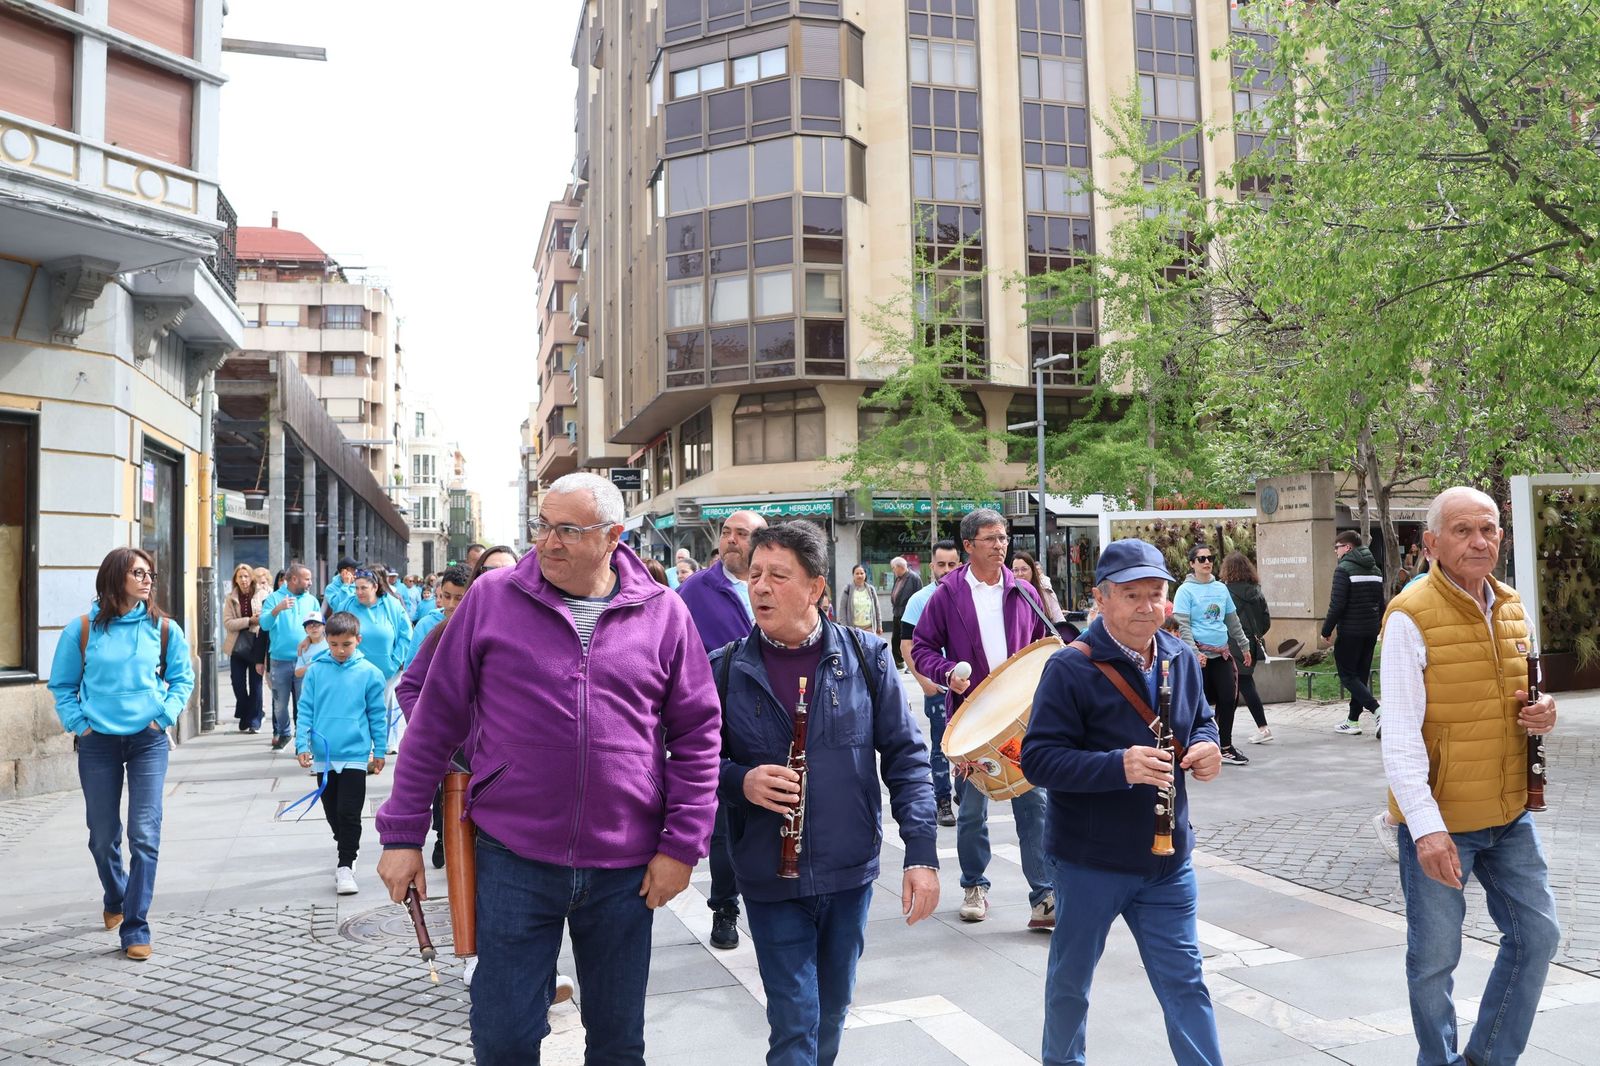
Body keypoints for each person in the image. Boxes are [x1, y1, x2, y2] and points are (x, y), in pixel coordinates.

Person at [376, 471, 722, 1064]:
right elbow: (433, 722)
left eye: (567, 530)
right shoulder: (491, 599)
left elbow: (697, 734)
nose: (548, 542)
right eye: (542, 525)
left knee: (618, 1043)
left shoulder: (665, 612)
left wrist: (683, 846)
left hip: (625, 868)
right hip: (514, 857)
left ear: (613, 536)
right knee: (504, 1038)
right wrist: (403, 833)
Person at [714, 520, 939, 1066]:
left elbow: (907, 757)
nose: (760, 586)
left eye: (778, 576)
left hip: (848, 869)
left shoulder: (867, 657)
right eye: (756, 574)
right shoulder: (725, 668)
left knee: (832, 1012)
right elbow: (689, 761)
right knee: (794, 1022)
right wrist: (740, 780)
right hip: (768, 872)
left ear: (815, 587)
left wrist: (922, 854)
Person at [1021, 538, 1224, 1066]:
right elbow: (1038, 760)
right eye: (1131, 595)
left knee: (1186, 983)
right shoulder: (1070, 666)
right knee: (1071, 982)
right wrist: (1119, 766)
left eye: (1155, 594)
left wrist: (1206, 744)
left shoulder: (1180, 655)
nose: (1146, 607)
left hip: (1168, 859)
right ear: (1101, 598)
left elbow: (1201, 718)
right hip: (1091, 860)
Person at [1379, 486, 1560, 1066]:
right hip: (1442, 822)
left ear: (1501, 539)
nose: (1478, 541)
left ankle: (1486, 1059)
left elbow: (1518, 698)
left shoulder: (1510, 605)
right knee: (1434, 962)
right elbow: (1401, 735)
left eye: (1488, 530)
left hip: (1509, 814)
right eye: (1461, 531)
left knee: (1538, 938)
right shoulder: (1410, 615)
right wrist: (1426, 829)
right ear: (1430, 542)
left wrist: (1544, 711)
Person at [911, 508, 1056, 929]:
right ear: (968, 546)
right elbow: (921, 648)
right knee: (972, 810)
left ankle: (1043, 896)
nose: (1001, 545)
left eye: (1004, 538)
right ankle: (975, 885)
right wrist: (947, 672)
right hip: (972, 721)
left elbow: (1043, 644)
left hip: (1021, 720)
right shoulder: (947, 594)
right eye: (991, 539)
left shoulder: (1024, 591)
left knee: (1034, 804)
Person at [48, 547, 195, 961]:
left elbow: (183, 678)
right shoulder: (80, 630)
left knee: (144, 834)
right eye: (138, 573)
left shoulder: (164, 629)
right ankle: (115, 895)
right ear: (116, 578)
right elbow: (61, 686)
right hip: (98, 744)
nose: (147, 580)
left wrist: (162, 715)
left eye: (149, 573)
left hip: (148, 741)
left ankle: (135, 926)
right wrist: (81, 725)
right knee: (102, 835)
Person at [677, 508, 769, 951]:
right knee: (725, 822)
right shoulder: (695, 590)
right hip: (720, 717)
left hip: (779, 714)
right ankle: (725, 907)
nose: (732, 540)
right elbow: (673, 653)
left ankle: (779, 899)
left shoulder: (775, 581)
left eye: (743, 534)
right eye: (727, 533)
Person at [296, 610, 387, 895]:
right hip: (323, 754)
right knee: (332, 812)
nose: (339, 650)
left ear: (357, 640)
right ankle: (346, 844)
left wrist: (380, 749)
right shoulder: (316, 671)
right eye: (334, 644)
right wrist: (301, 745)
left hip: (356, 755)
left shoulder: (371, 673)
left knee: (349, 812)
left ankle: (345, 864)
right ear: (327, 641)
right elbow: (305, 710)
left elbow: (377, 714)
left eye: (346, 644)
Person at [900, 540, 964, 828]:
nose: (947, 569)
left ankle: (966, 793)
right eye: (941, 564)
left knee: (968, 744)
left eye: (952, 564)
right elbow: (906, 644)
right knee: (940, 746)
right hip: (938, 688)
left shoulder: (970, 596)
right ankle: (942, 801)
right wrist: (925, 681)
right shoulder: (919, 600)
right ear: (932, 567)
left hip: (969, 687)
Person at [1172, 544, 1253, 766]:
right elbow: (1183, 625)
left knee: (1229, 699)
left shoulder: (1221, 588)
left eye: (1210, 558)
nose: (1207, 562)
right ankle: (1192, 746)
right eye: (1201, 559)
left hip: (1222, 654)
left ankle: (1224, 746)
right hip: (1197, 657)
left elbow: (1232, 620)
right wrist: (1194, 652)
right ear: (1192, 564)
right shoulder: (1185, 591)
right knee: (1198, 703)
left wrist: (1244, 646)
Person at [1321, 530, 1385, 736]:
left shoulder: (1343, 570)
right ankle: (1353, 721)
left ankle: (1378, 711)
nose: (1336, 552)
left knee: (1348, 676)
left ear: (1347, 547)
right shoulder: (1375, 569)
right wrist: (1378, 626)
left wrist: (1326, 630)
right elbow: (1380, 603)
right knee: (1360, 675)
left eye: (1337, 548)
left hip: (1350, 631)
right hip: (1370, 631)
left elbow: (1337, 604)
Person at [341, 568, 413, 745]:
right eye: (356, 588)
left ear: (374, 587)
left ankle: (378, 748)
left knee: (379, 712)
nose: (359, 592)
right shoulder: (348, 605)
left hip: (385, 671)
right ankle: (363, 748)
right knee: (357, 711)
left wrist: (394, 662)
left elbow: (406, 635)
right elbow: (335, 631)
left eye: (363, 588)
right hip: (354, 671)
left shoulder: (392, 605)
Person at [259, 563, 321, 751]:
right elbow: (264, 625)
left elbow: (319, 627)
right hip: (279, 661)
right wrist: (277, 610)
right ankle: (284, 732)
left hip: (305, 661)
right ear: (294, 579)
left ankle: (302, 742)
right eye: (307, 579)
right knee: (280, 705)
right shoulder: (273, 599)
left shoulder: (311, 600)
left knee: (304, 704)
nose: (310, 582)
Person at [1219, 550, 1273, 745]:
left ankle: (1260, 728)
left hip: (1231, 643)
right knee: (1241, 684)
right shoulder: (1256, 590)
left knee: (1237, 686)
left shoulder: (1225, 591)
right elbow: (1266, 621)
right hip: (1252, 643)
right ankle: (1224, 730)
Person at [221, 563, 265, 733]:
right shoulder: (230, 598)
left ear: (251, 577)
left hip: (256, 645)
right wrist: (249, 621)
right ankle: (248, 713)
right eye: (240, 577)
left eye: (246, 576)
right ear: (236, 580)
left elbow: (266, 619)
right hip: (237, 646)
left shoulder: (262, 594)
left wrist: (259, 620)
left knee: (256, 685)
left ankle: (254, 720)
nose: (244, 580)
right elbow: (228, 623)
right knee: (238, 683)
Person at [1011, 551, 1065, 624]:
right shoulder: (1010, 594)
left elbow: (1060, 622)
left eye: (1024, 569)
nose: (1020, 574)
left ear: (1032, 570)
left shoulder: (1045, 591)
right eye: (1016, 570)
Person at [888, 556, 922, 669]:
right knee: (895, 639)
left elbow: (918, 596)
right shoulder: (898, 578)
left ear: (900, 567)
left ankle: (911, 665)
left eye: (893, 568)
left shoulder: (914, 578)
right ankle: (899, 662)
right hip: (897, 613)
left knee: (908, 640)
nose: (893, 570)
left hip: (908, 614)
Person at [837, 564, 882, 635]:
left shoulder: (871, 589)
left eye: (862, 573)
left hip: (869, 628)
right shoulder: (847, 589)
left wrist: (879, 625)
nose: (859, 576)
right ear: (853, 575)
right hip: (854, 629)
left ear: (865, 574)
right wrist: (844, 628)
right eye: (857, 573)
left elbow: (877, 608)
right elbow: (842, 609)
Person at [294, 612, 328, 679]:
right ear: (305, 630)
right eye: (310, 626)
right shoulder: (304, 648)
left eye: (317, 625)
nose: (314, 628)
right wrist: (312, 665)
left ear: (324, 627)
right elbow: (297, 672)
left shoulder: (331, 643)